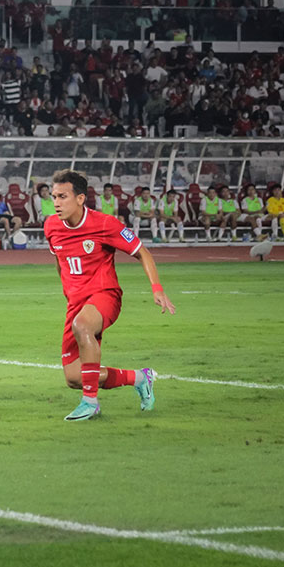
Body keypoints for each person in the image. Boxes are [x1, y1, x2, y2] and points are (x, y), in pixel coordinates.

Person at [43, 169, 175, 421]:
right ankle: (140, 378)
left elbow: (142, 252)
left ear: (80, 198)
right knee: (74, 378)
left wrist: (157, 288)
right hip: (76, 303)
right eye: (54, 197)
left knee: (82, 326)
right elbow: (60, 261)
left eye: (62, 197)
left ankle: (90, 403)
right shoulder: (51, 226)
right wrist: (67, 291)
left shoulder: (105, 224)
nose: (56, 203)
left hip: (105, 295)